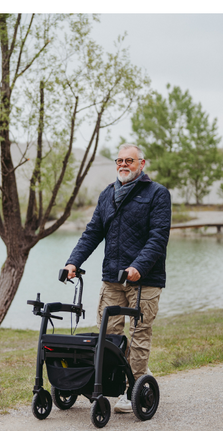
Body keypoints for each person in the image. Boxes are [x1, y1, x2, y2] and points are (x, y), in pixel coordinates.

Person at [64, 143, 171, 413]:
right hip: (112, 278)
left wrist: (139, 266)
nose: (123, 165)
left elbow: (158, 238)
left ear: (141, 164)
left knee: (138, 334)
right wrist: (73, 261)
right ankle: (119, 379)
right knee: (109, 336)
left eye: (130, 161)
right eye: (119, 160)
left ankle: (133, 386)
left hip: (144, 280)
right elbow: (92, 233)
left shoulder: (157, 194)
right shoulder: (107, 194)